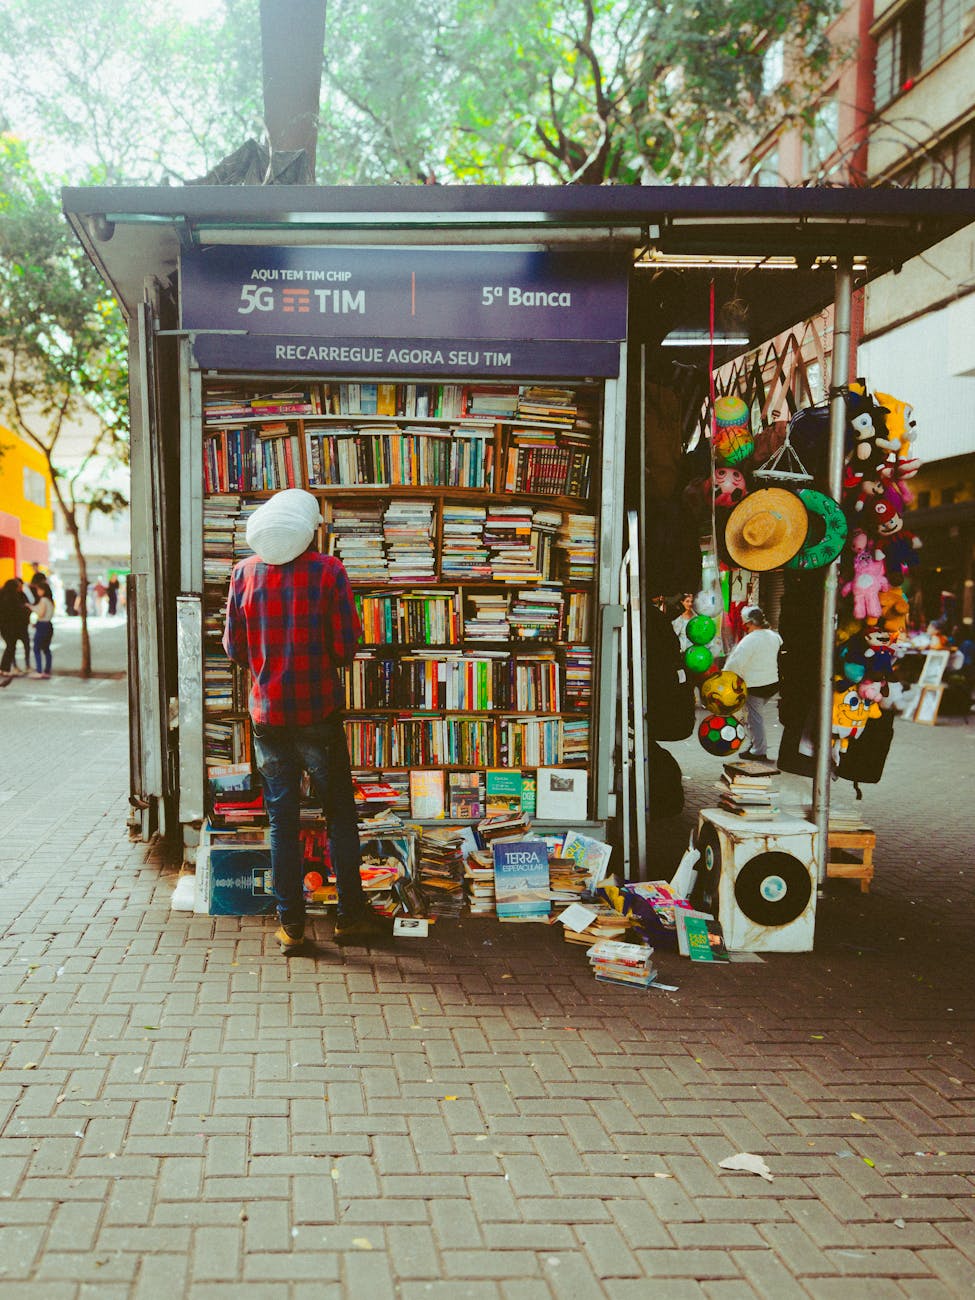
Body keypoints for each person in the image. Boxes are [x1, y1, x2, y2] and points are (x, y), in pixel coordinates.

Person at [222, 488, 387, 955]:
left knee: (281, 820)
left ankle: (291, 926)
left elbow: (234, 649)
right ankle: (350, 917)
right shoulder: (329, 571)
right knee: (339, 813)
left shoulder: (243, 573)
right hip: (318, 713)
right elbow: (344, 647)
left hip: (268, 715)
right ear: (311, 529)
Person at [723, 604, 782, 761]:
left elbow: (735, 663)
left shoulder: (749, 640)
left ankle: (758, 750)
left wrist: (724, 677)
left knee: (753, 719)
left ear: (749, 623)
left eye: (746, 624)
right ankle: (756, 744)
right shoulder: (774, 636)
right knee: (752, 716)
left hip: (755, 685)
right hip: (772, 683)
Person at [29, 579, 55, 679]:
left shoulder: (43, 600)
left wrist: (31, 607)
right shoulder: (50, 600)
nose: (37, 592)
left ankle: (39, 670)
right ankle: (47, 670)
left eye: (38, 590)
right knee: (46, 649)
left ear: (43, 590)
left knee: (37, 648)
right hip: (48, 625)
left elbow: (41, 613)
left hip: (42, 625)